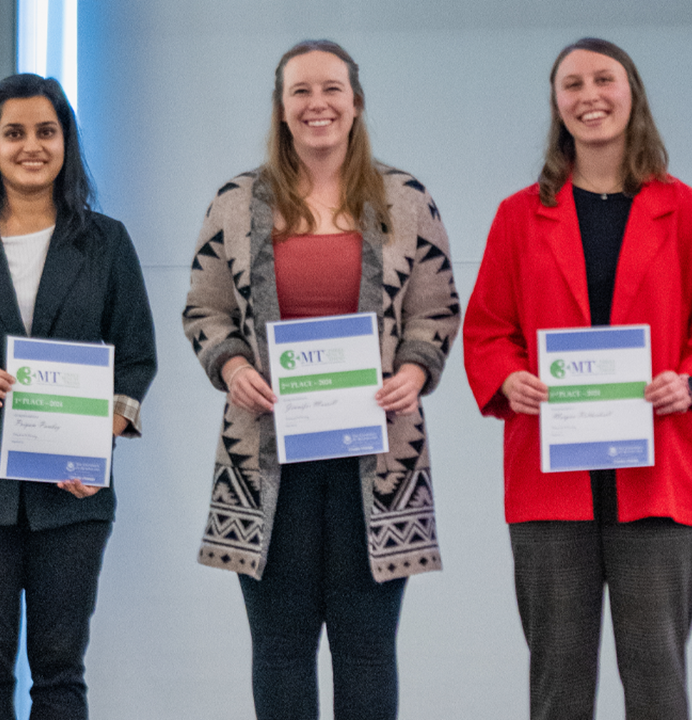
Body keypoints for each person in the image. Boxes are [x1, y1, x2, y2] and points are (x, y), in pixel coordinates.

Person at [463, 38, 692, 720]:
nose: (589, 95)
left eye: (603, 79)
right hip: (549, 481)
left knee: (656, 678)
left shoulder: (691, 213)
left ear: (632, 94)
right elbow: (486, 330)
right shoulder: (517, 216)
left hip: (655, 478)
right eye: (571, 84)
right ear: (557, 106)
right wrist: (508, 378)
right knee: (558, 683)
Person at [182, 39, 460, 720]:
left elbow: (437, 308)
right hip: (267, 461)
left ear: (356, 103)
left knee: (367, 650)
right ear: (280, 108)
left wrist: (415, 369)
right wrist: (233, 363)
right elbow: (205, 308)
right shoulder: (234, 202)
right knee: (280, 650)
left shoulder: (406, 199)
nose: (317, 104)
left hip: (378, 462)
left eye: (331, 89)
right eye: (301, 91)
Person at [0, 73, 156, 720]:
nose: (31, 145)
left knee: (60, 679)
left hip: (71, 496)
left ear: (65, 140)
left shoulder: (106, 243)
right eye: (14, 133)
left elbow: (137, 359)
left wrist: (106, 432)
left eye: (46, 131)